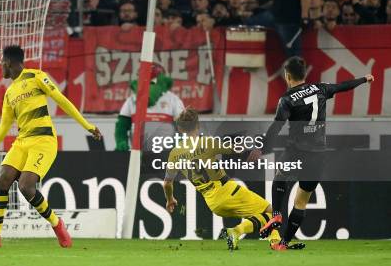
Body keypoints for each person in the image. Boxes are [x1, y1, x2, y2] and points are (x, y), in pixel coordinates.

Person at [0, 45, 102, 248]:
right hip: (22, 141)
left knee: (25, 186)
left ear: (8, 63)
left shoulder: (37, 76)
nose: (0, 68)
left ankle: (57, 225)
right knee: (3, 179)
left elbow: (62, 100)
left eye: (1, 64)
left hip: (43, 141)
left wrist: (88, 125)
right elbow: (3, 127)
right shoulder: (9, 93)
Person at [256, 57, 374, 250]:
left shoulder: (286, 99)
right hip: (318, 154)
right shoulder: (320, 89)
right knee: (301, 200)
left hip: (295, 151)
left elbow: (276, 127)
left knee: (280, 177)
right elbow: (343, 86)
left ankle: (276, 214)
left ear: (287, 76)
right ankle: (284, 243)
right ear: (304, 75)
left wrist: (264, 148)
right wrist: (364, 79)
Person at [163, 108, 282, 251]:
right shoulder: (207, 142)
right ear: (198, 125)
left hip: (212, 202)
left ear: (180, 129)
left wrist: (170, 199)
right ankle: (236, 231)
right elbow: (236, 149)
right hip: (226, 190)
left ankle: (275, 241)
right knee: (271, 212)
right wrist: (254, 149)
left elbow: (167, 183)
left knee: (260, 214)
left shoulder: (174, 153)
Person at [115, 64, 184, 152]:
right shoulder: (132, 100)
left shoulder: (172, 99)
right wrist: (121, 141)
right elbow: (122, 125)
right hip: (138, 153)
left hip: (165, 153)